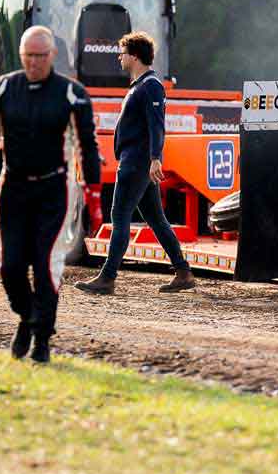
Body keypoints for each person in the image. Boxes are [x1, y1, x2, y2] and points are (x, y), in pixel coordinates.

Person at [0, 26, 103, 364]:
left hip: (53, 188)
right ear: (21, 55)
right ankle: (28, 317)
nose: (34, 63)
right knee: (9, 267)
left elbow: (88, 146)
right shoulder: (3, 89)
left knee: (47, 266)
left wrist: (93, 198)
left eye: (40, 57)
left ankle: (42, 338)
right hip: (13, 186)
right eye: (28, 56)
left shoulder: (71, 93)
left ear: (52, 56)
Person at [75, 32, 195, 295]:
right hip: (136, 160)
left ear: (134, 56)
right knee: (156, 219)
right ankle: (183, 272)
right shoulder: (140, 86)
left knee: (120, 217)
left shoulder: (151, 86)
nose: (119, 57)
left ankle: (107, 278)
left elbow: (157, 125)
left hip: (137, 163)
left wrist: (155, 158)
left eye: (122, 52)